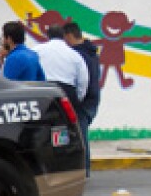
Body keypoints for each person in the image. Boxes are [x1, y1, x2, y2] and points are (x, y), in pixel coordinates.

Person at [62, 21, 102, 176]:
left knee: (80, 137)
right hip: (93, 99)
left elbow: (82, 81)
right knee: (80, 135)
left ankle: (83, 171)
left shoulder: (77, 55)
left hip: (83, 101)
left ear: (69, 36)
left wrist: (77, 98)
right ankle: (83, 170)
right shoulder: (91, 52)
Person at [32, 23, 89, 108]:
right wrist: (76, 100)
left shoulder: (36, 50)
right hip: (66, 92)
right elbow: (83, 80)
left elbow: (29, 69)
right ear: (63, 36)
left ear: (48, 35)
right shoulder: (75, 55)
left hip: (42, 89)